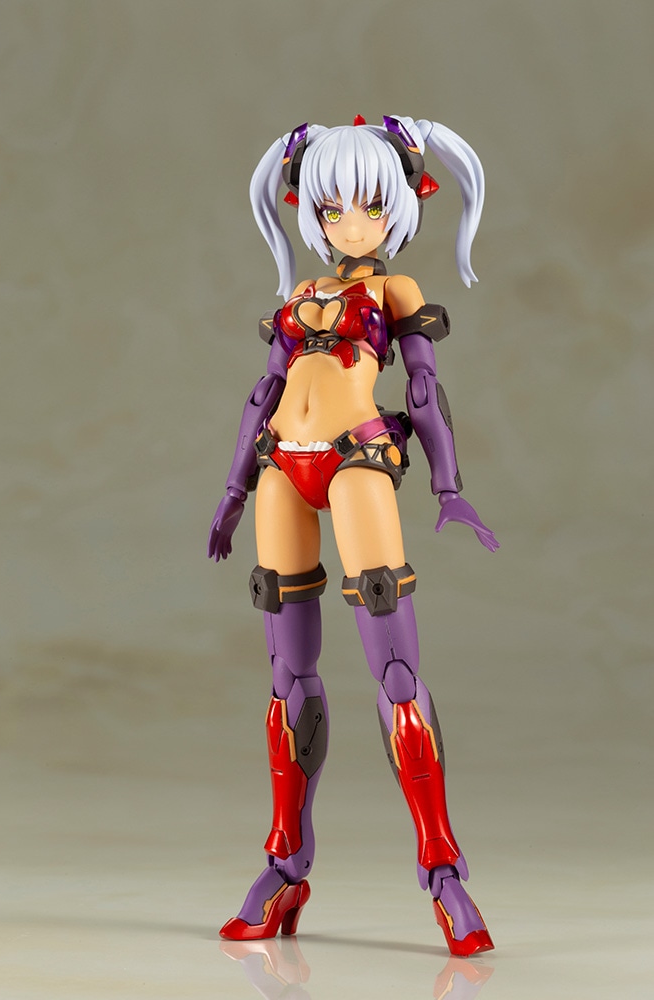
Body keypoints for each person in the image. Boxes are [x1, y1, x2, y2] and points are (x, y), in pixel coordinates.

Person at [208, 115, 498, 956]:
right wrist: (232, 491)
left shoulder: (394, 291)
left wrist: (447, 486)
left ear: (400, 204)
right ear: (309, 212)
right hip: (279, 468)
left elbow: (423, 390)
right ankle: (284, 865)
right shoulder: (298, 295)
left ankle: (443, 873)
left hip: (356, 458)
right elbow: (261, 397)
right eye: (330, 208)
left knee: (394, 670)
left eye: (368, 205)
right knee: (287, 671)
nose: (349, 224)